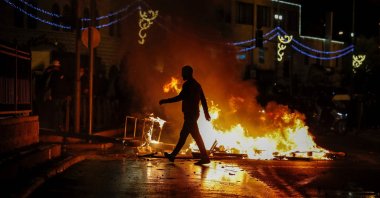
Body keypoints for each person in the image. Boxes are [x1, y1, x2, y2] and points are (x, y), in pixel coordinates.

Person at [159, 65, 211, 165]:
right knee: (196, 136)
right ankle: (205, 157)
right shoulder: (197, 84)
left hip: (190, 115)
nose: (182, 74)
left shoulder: (188, 85)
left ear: (188, 73)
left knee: (184, 135)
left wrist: (165, 101)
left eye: (183, 72)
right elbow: (203, 100)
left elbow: (180, 97)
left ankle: (173, 155)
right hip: (194, 114)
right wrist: (206, 113)